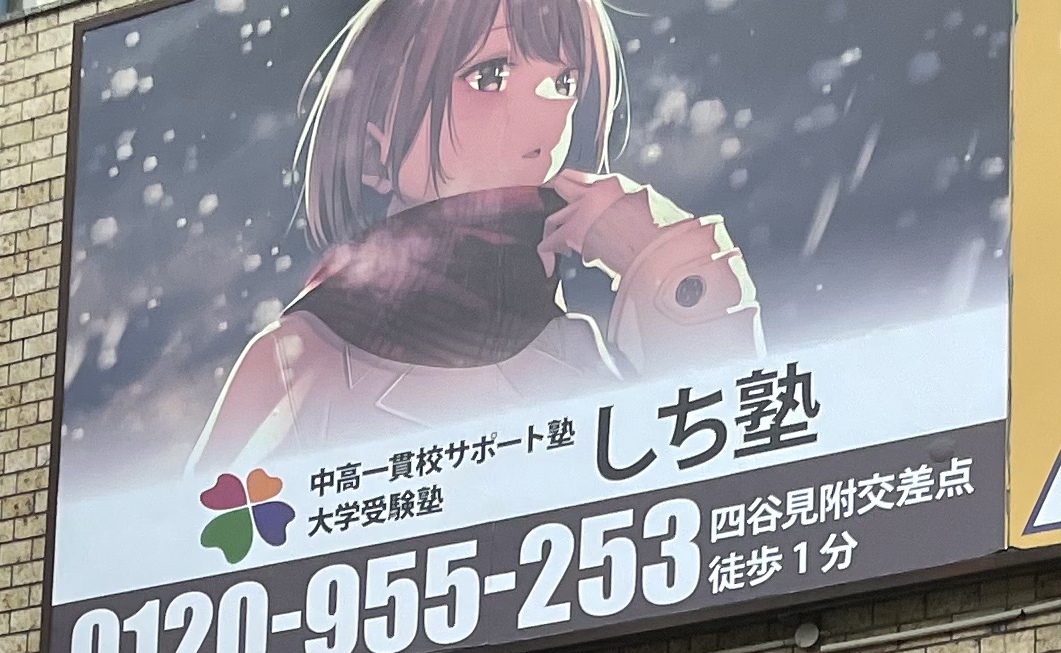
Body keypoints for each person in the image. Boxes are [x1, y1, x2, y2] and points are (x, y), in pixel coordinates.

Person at [191, 0, 757, 480]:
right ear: (373, 145)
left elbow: (729, 474)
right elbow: (204, 550)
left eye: (562, 84)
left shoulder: (571, 350)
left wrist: (665, 262)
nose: (544, 122)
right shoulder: (298, 361)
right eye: (489, 77)